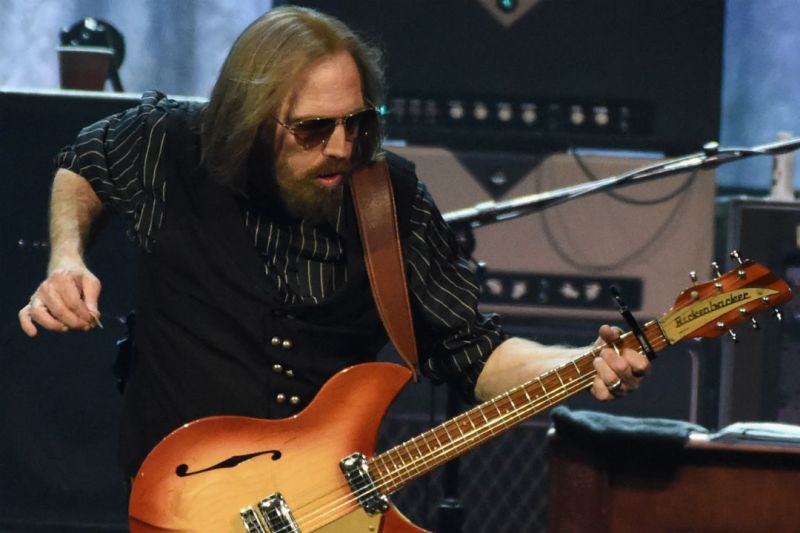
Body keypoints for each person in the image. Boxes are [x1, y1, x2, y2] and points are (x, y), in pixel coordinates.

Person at [18, 6, 648, 483]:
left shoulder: (389, 199)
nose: (343, 148)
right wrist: (66, 259)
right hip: (178, 495)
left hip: (322, 504)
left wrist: (579, 364)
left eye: (359, 122)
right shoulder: (171, 141)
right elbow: (85, 163)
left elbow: (473, 353)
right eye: (314, 129)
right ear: (251, 118)